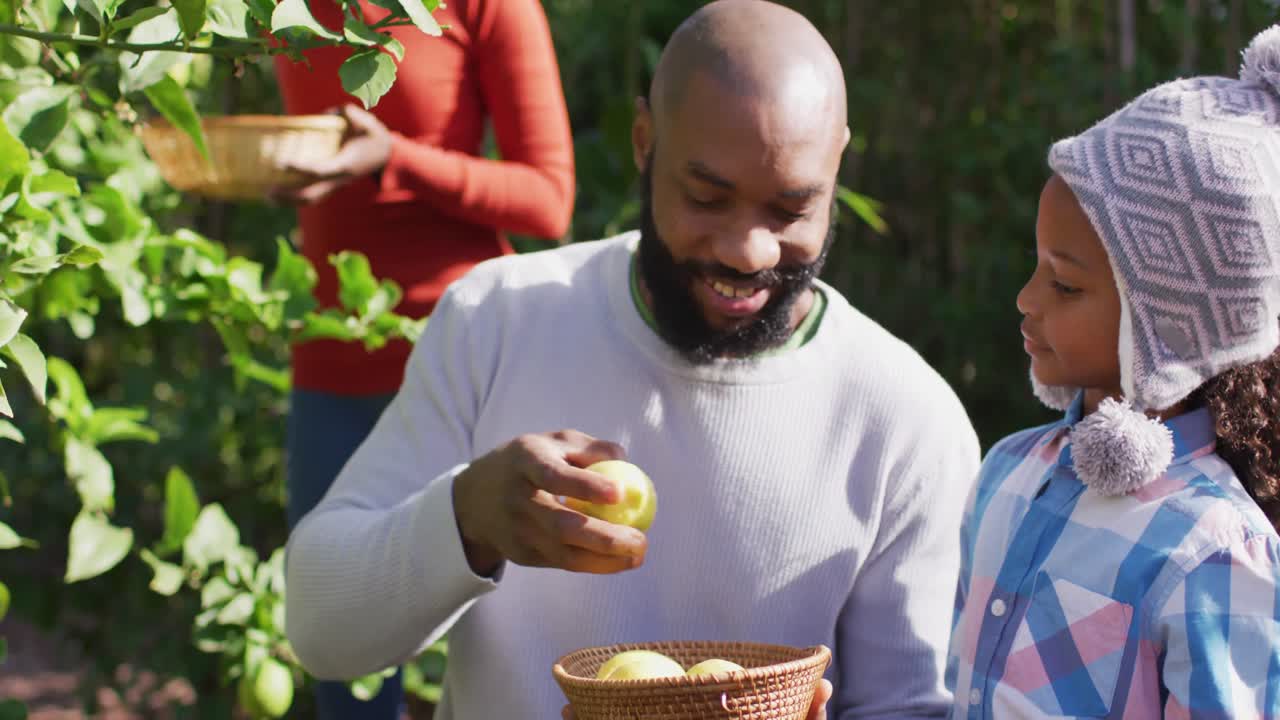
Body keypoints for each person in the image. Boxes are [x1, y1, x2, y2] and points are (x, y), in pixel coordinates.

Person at [283, 2, 981, 718]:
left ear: (837, 163)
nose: (749, 250)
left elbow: (909, 704)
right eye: (707, 197)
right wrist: (468, 518)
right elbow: (319, 628)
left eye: (791, 210)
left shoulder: (907, 421)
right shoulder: (496, 321)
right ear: (645, 142)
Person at [946, 27, 1280, 719]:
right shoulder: (1006, 474)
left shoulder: (1214, 547)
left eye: (1065, 286)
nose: (1026, 299)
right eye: (1036, 265)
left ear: (1171, 324)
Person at [270, 0, 575, 716]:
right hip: (334, 361)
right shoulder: (279, 10)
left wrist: (395, 160)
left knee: (507, 663)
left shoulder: (486, 7)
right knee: (342, 663)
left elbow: (548, 197)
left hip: (467, 370)